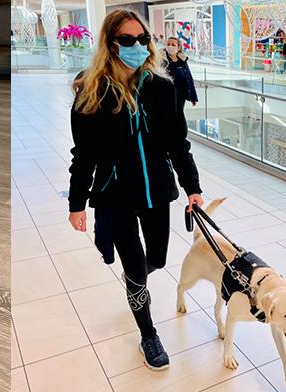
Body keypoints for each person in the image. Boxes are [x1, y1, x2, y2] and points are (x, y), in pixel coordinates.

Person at [67, 9, 204, 371]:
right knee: (135, 265)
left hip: (158, 191)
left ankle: (134, 280)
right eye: (127, 41)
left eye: (142, 39)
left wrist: (192, 187)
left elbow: (179, 144)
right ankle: (148, 333)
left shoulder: (164, 88)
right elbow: (82, 156)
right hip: (116, 196)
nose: (137, 47)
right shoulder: (91, 93)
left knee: (157, 258)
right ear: (110, 45)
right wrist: (76, 203)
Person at [163, 37, 199, 110]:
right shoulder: (162, 60)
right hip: (166, 97)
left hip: (180, 97)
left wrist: (193, 97)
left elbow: (189, 78)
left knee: (178, 117)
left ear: (178, 48)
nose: (170, 46)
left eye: (173, 45)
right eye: (168, 44)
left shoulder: (182, 61)